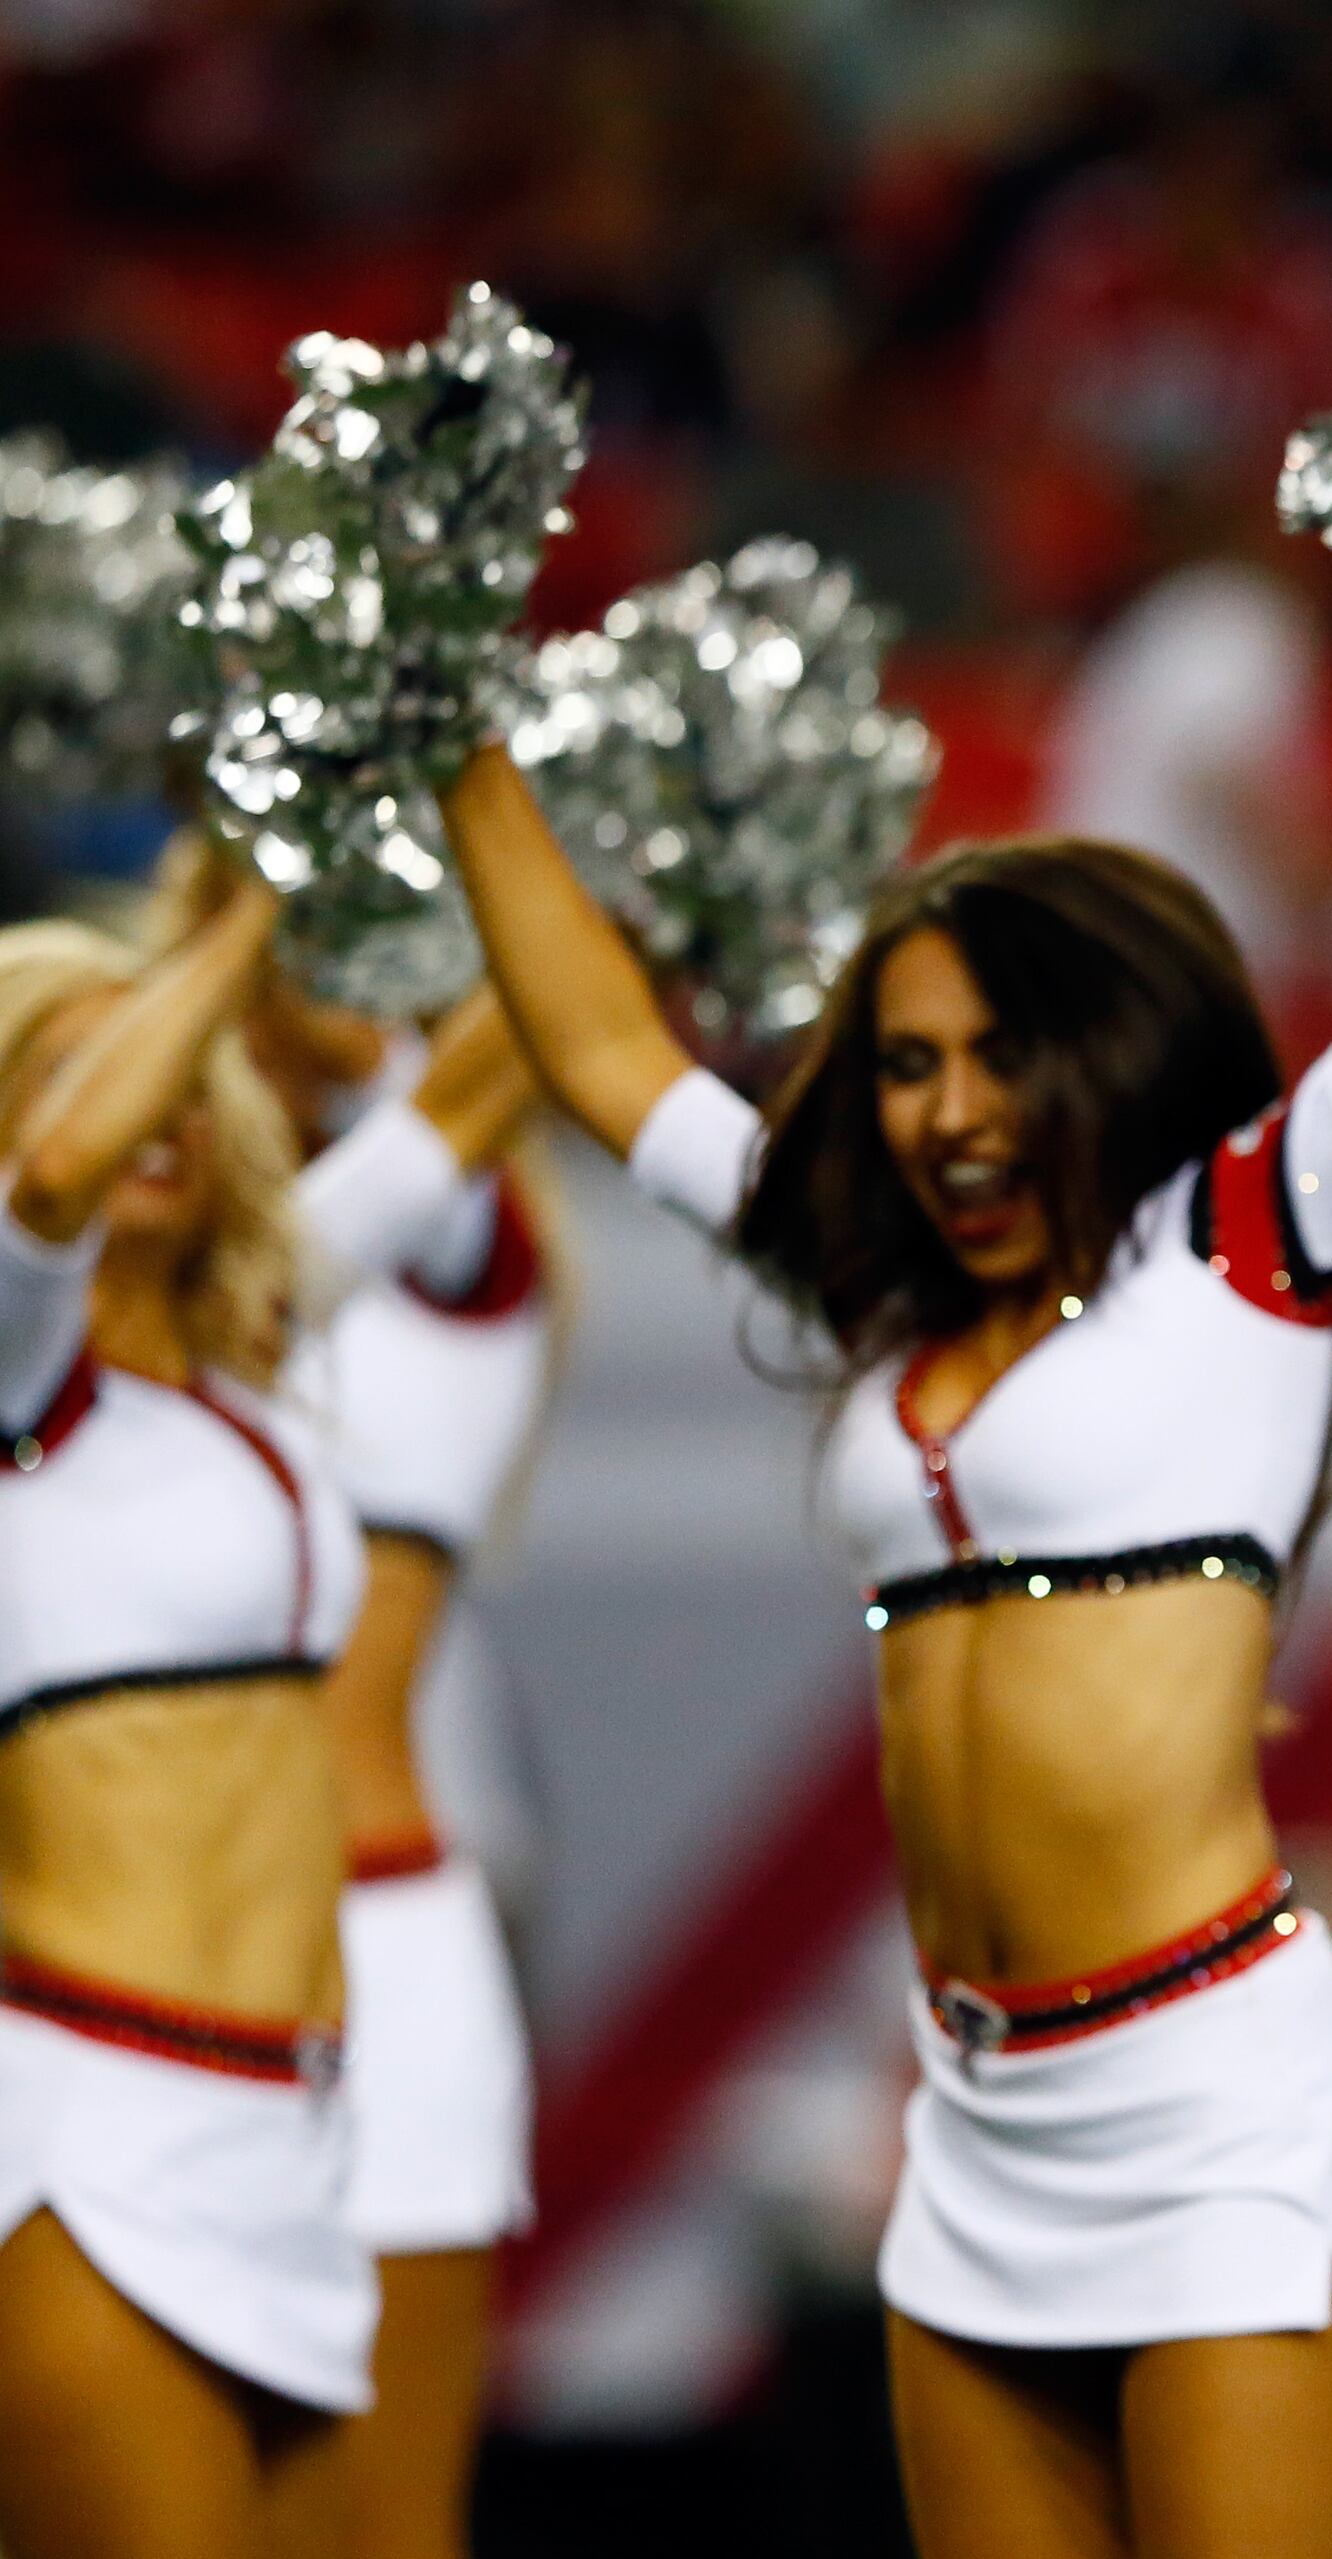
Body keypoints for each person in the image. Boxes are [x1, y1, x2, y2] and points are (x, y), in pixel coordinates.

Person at [438, 676, 1332, 2558]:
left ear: (1110, 1049)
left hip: (1219, 2101)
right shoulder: (872, 1280)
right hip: (979, 2120)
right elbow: (599, 1047)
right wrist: (455, 736)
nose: (952, 1111)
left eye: (1001, 1054)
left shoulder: (1250, 1235)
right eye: (909, 1064)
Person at [0, 887, 512, 2558]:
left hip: (295, 2128)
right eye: (69, 1069)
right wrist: (269, 894)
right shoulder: (16, 1386)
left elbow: (484, 1097)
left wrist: (636, 850)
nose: (135, 1108)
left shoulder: (252, 1337)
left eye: (149, 1068)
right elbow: (56, 1179)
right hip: (93, 2130)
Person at [146, 849, 556, 2559]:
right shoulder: (87, 1309)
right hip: (112, 1971)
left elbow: (489, 1075)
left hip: (383, 1958)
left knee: (379, 2523)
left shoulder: (422, 1260)